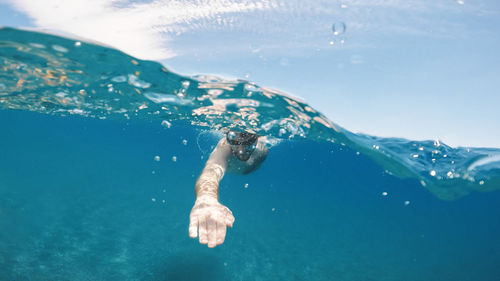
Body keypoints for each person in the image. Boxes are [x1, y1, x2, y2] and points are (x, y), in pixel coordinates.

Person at [189, 130, 269, 248]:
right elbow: (211, 171)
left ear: (256, 137)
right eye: (234, 141)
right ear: (228, 138)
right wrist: (206, 197)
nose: (241, 150)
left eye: (248, 141)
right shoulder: (224, 147)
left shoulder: (263, 147)